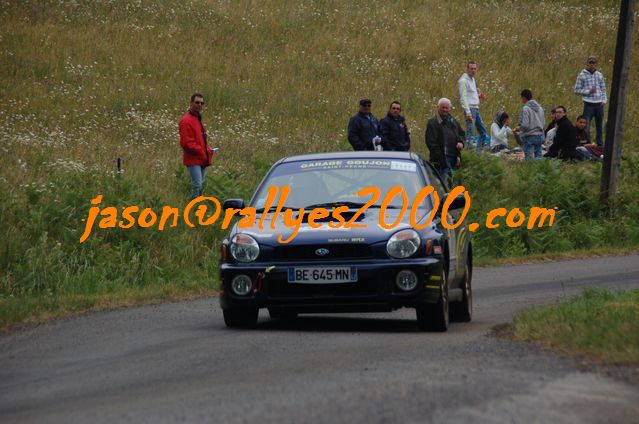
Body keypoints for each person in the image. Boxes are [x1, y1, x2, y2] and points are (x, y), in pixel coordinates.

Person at [179, 93, 214, 199]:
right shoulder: (186, 120)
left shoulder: (197, 119)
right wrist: (201, 150)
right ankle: (194, 207)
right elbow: (186, 143)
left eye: (202, 103)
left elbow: (201, 140)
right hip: (193, 159)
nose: (200, 105)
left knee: (201, 186)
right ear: (191, 103)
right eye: (197, 102)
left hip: (202, 157)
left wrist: (208, 150)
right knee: (197, 186)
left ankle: (198, 207)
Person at [425, 98, 465, 181]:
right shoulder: (433, 122)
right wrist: (441, 161)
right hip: (440, 162)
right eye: (443, 107)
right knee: (441, 186)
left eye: (447, 108)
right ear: (438, 107)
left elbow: (462, 134)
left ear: (450, 108)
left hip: (454, 160)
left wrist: (461, 143)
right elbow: (431, 144)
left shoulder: (453, 121)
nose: (445, 110)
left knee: (453, 186)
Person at [574, 56, 607, 147]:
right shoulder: (582, 75)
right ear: (587, 64)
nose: (592, 65)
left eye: (593, 63)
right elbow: (576, 90)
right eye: (590, 63)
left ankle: (600, 145)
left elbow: (603, 88)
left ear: (596, 64)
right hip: (588, 104)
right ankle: (587, 143)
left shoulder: (599, 75)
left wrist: (604, 99)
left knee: (599, 125)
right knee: (586, 126)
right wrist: (588, 92)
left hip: (599, 104)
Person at [458, 61, 488, 151]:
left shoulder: (472, 79)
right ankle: (468, 153)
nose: (473, 71)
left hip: (476, 108)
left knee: (483, 132)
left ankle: (478, 153)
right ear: (467, 69)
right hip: (470, 109)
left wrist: (478, 96)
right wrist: (467, 112)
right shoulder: (463, 81)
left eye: (475, 69)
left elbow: (470, 94)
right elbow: (463, 97)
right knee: (470, 134)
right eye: (471, 69)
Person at [514, 89, 545, 160]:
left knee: (530, 160)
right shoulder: (540, 108)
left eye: (521, 98)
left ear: (524, 98)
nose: (521, 100)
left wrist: (518, 128)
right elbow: (543, 122)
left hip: (529, 136)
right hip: (539, 136)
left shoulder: (526, 108)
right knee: (539, 158)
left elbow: (525, 125)